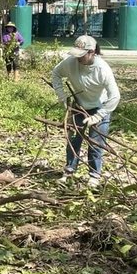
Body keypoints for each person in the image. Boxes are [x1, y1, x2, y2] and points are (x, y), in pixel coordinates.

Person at [51, 35, 120, 188]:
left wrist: (99, 116)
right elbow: (55, 74)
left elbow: (115, 96)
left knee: (95, 143)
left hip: (100, 107)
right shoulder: (70, 63)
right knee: (73, 139)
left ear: (92, 52)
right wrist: (62, 95)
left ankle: (94, 176)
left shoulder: (102, 69)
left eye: (82, 55)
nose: (78, 59)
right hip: (79, 106)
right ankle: (69, 171)